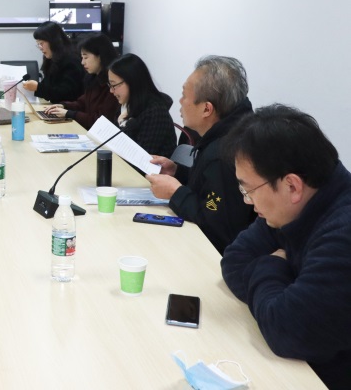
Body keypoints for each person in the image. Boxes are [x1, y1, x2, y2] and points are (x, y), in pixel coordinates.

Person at [221, 105, 351, 389]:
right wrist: (283, 288)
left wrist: (272, 264)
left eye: (248, 190)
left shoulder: (343, 234)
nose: (246, 201)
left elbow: (286, 330)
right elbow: (234, 260)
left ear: (292, 186)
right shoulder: (295, 206)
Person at [147, 56, 256, 254]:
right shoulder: (234, 130)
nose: (180, 101)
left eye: (184, 95)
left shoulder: (225, 153)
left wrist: (175, 193)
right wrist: (178, 172)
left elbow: (216, 226)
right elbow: (212, 187)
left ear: (207, 108)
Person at [106, 53, 176, 158]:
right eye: (110, 85)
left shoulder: (155, 112)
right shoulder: (127, 104)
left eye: (114, 85)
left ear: (132, 81)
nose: (111, 91)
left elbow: (141, 157)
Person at [44, 33, 119, 129]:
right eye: (82, 57)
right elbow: (82, 103)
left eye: (86, 57)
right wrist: (63, 106)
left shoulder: (113, 84)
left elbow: (100, 122)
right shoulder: (93, 78)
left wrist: (69, 114)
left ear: (100, 56)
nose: (82, 62)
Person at [21, 21, 83, 104]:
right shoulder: (51, 59)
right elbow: (48, 86)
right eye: (38, 44)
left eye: (41, 43)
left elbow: (66, 94)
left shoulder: (71, 61)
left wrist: (38, 87)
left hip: (69, 109)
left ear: (53, 41)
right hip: (57, 107)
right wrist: (36, 86)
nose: (40, 47)